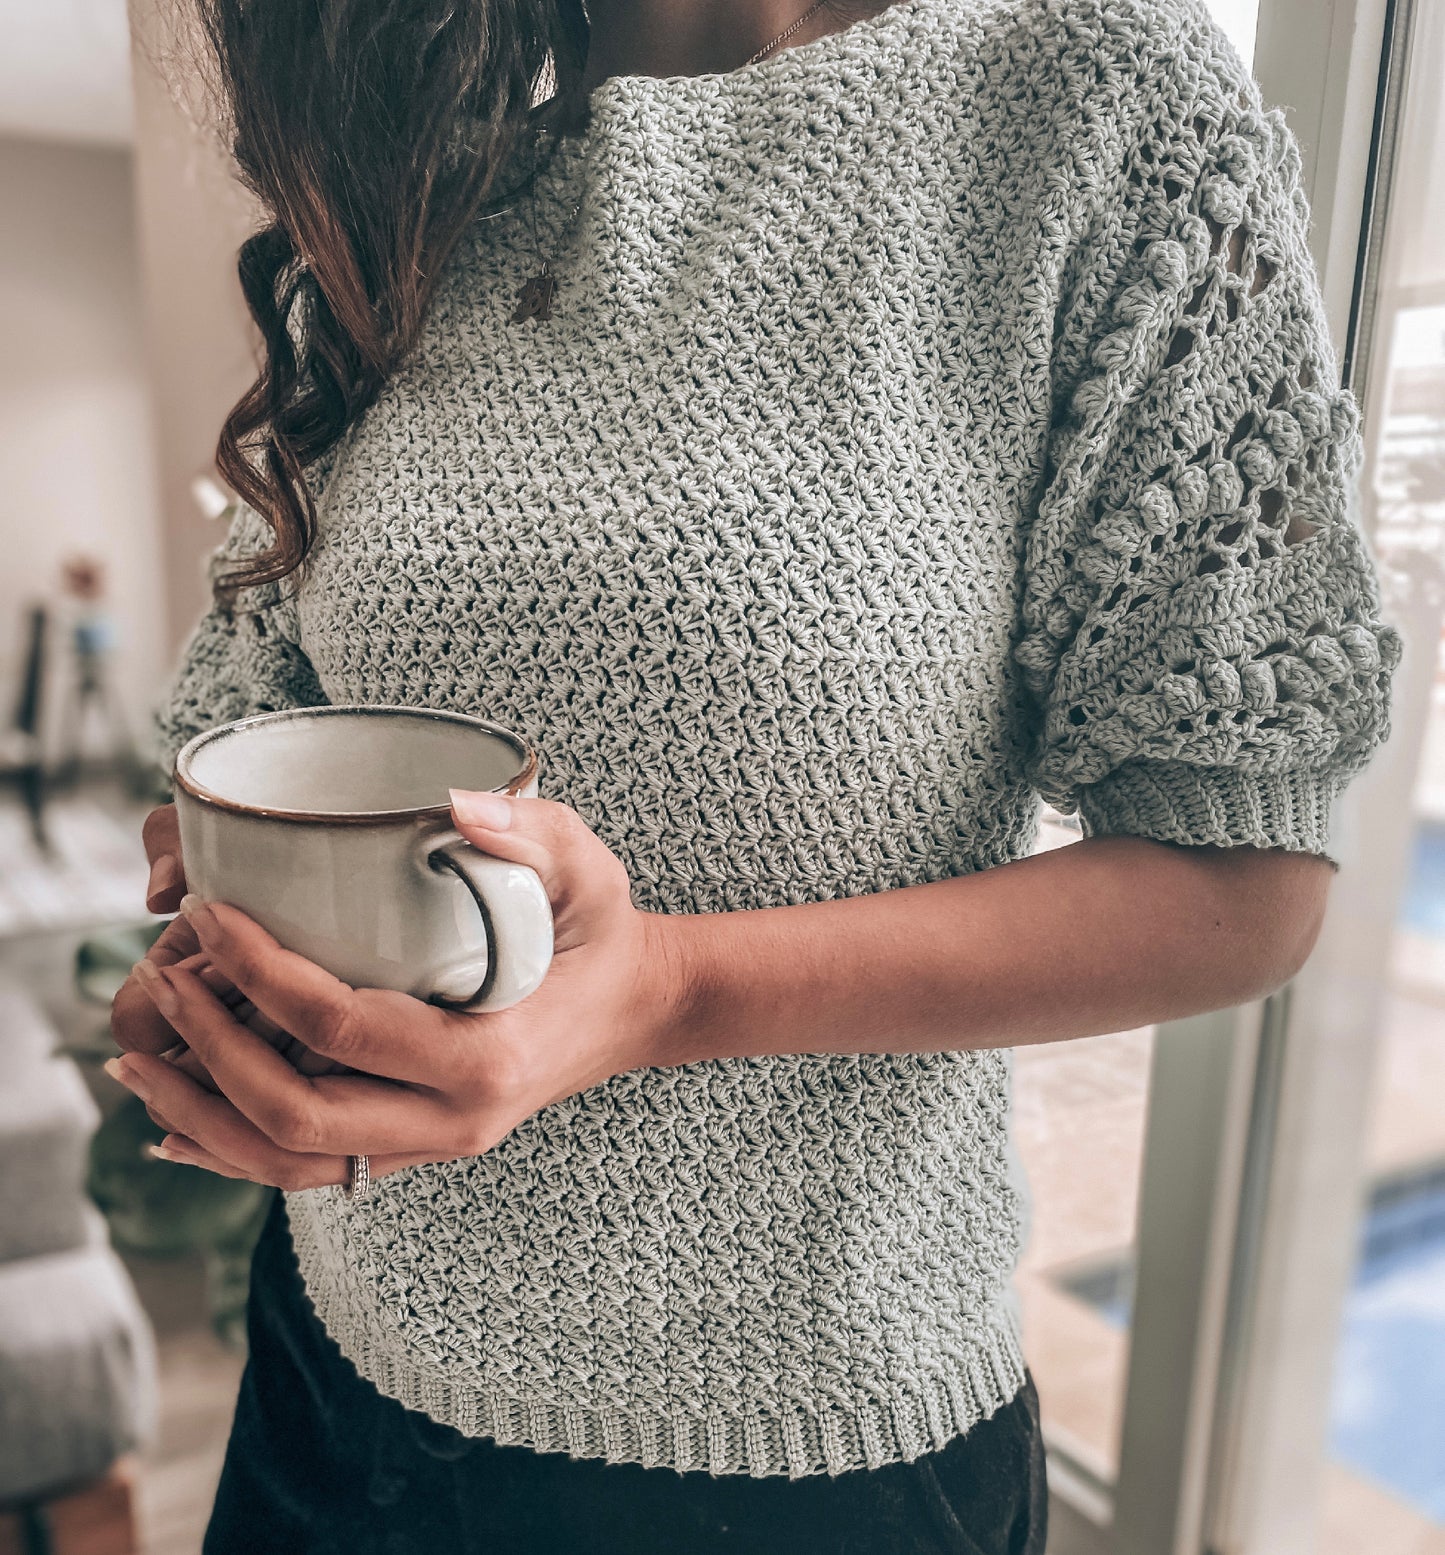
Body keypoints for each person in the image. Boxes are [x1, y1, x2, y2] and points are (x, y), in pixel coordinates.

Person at [109, 0, 1404, 1549]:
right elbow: (269, 724)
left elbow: (1236, 880)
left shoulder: (1090, 105)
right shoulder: (417, 178)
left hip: (805, 1467)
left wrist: (666, 988)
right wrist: (218, 991)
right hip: (329, 1393)